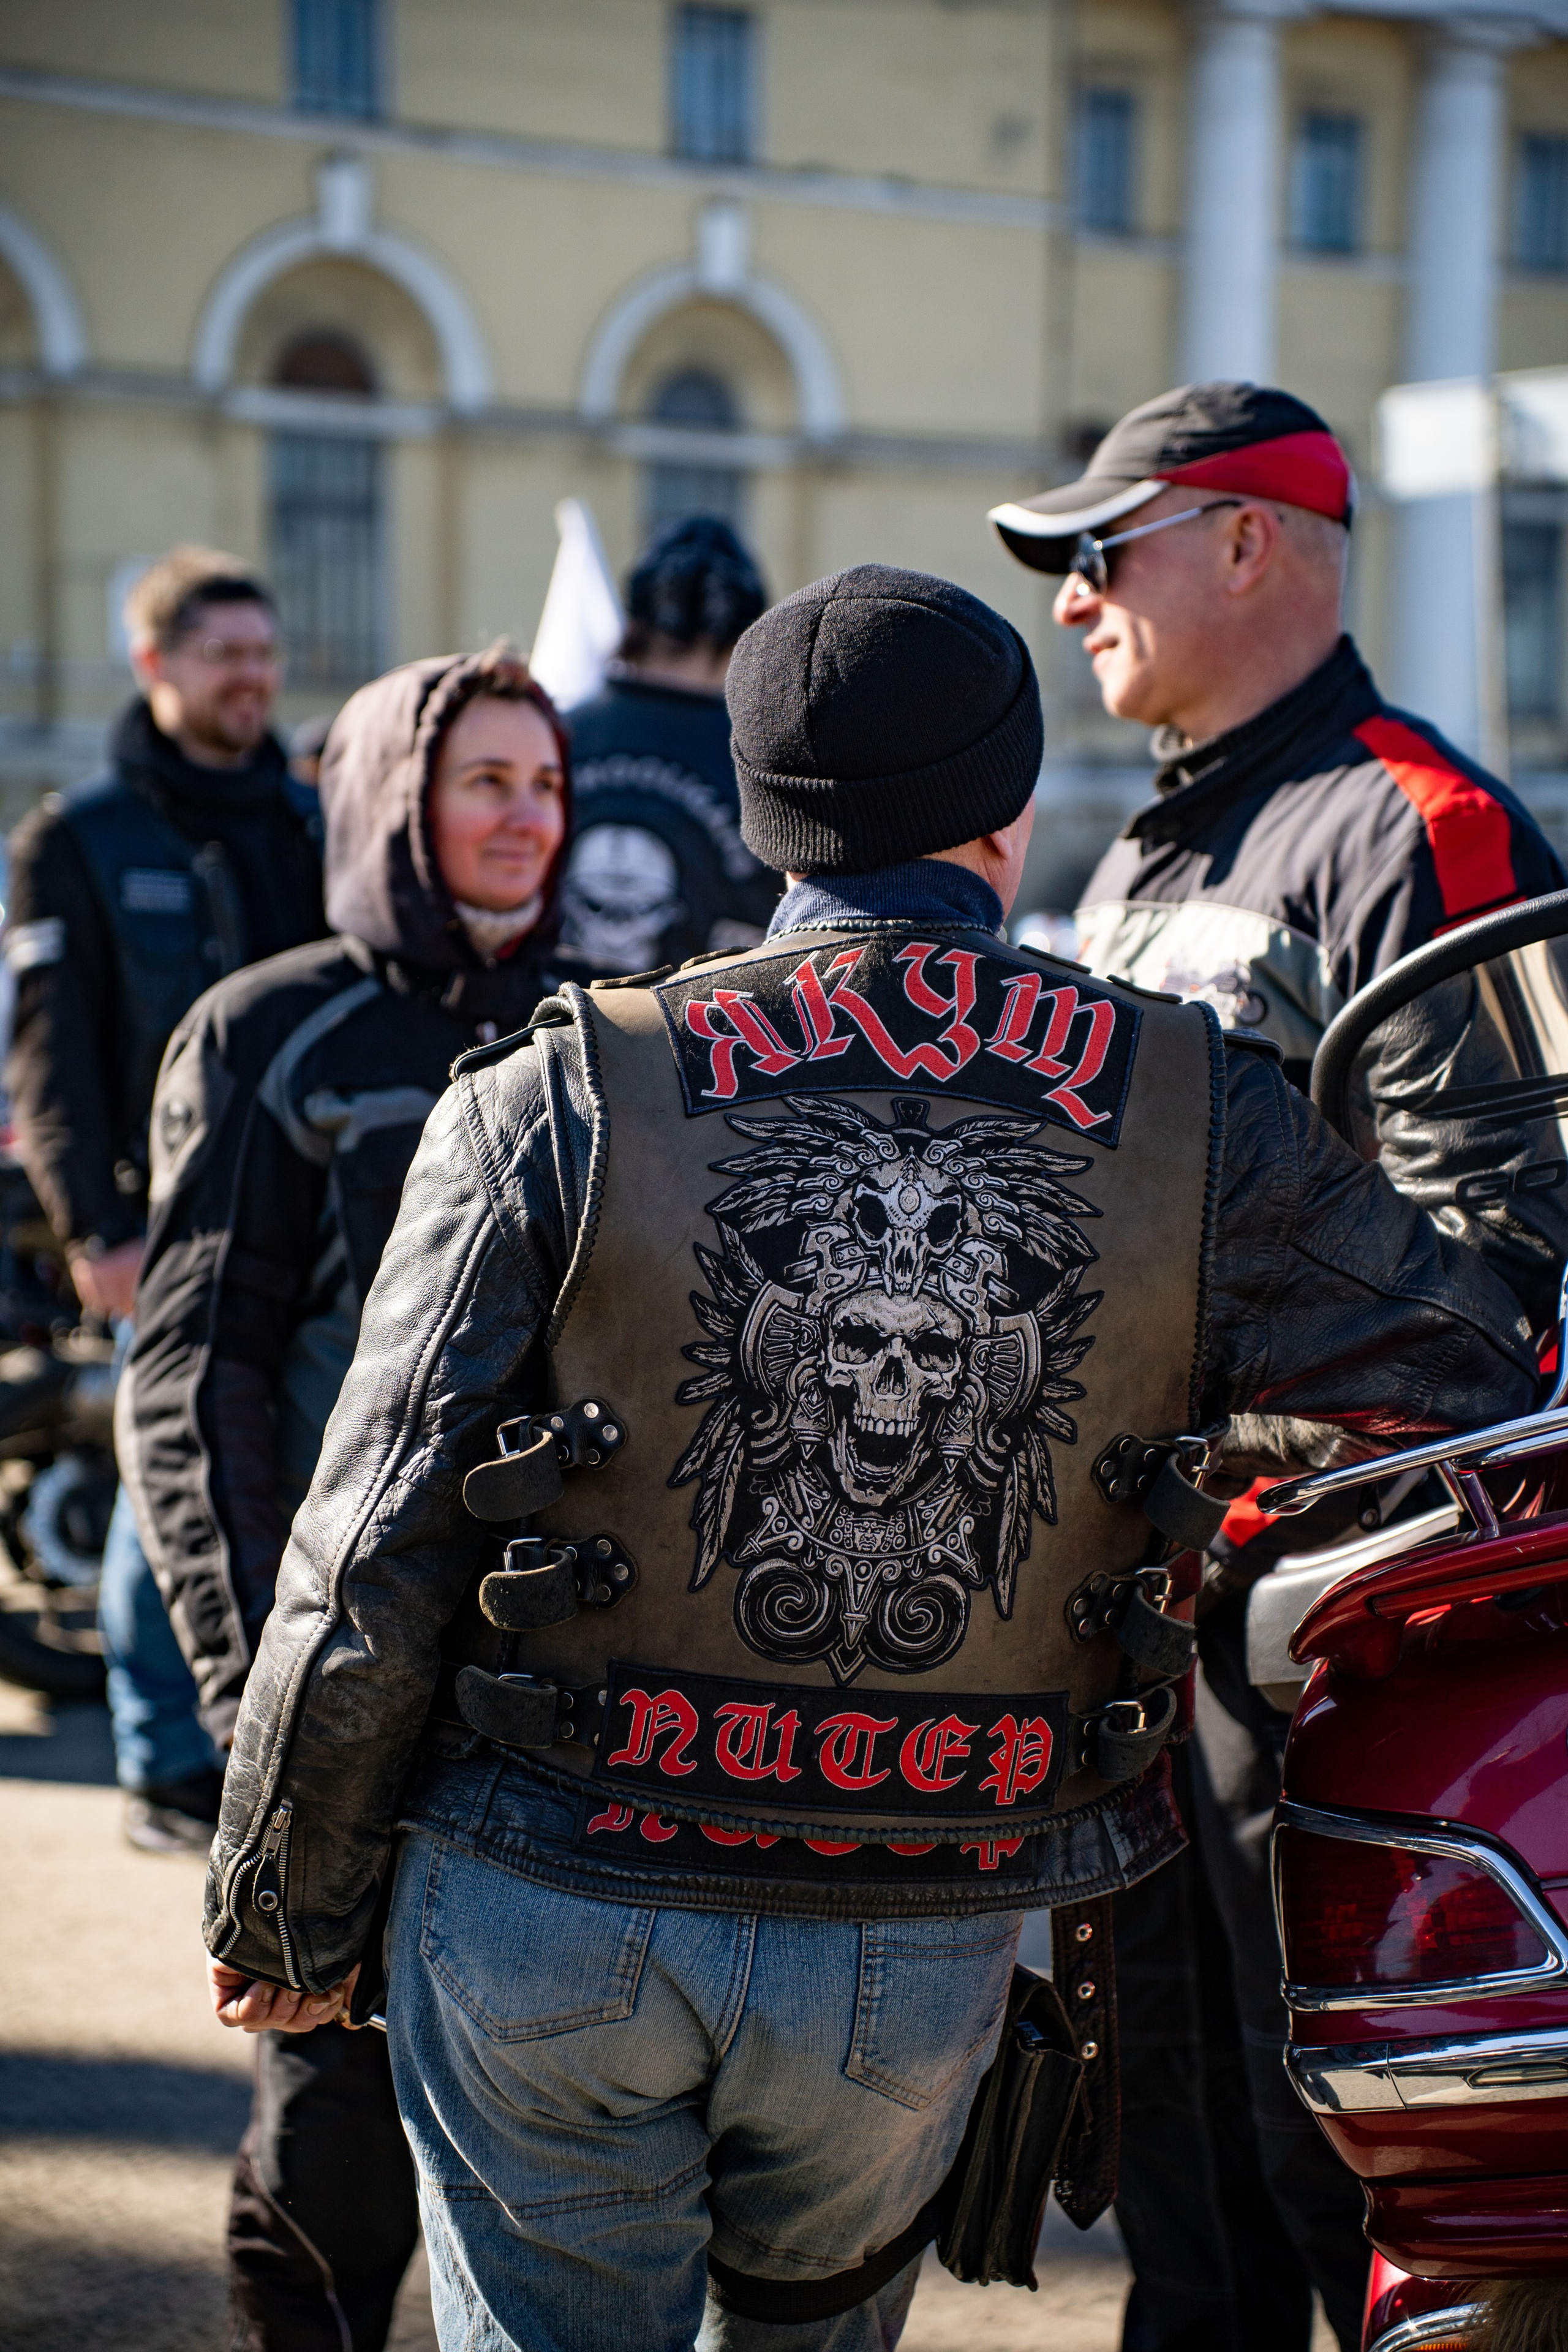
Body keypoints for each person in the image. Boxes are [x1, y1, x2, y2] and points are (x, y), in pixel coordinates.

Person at [202, 567, 1537, 2352]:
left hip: (543, 1879)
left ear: (756, 813)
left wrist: (284, 1899)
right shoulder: (1191, 1104)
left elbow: (368, 1539)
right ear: (1004, 808)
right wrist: (1161, 1423)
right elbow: (1465, 1368)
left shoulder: (554, 1087)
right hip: (914, 1914)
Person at [990, 380, 1568, 2351]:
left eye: (1100, 548)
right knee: (1179, 2178)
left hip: (1323, 1640)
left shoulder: (1420, 821)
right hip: (1147, 1636)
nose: (1072, 599)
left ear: (1247, 541)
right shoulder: (1149, 853)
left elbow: (1504, 1291)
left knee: (1349, 2192)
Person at [119, 641, 570, 2352]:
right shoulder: (266, 1034)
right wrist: (257, 1690)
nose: (525, 818)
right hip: (343, 1687)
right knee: (332, 2169)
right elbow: (190, 1384)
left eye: (544, 782)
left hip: (554, 1708)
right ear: (397, 797)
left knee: (558, 2171)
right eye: (485, 781)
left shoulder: (613, 1027)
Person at [4, 545, 324, 1851]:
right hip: (165, 1224)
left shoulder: (313, 816)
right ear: (155, 664)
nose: (252, 676)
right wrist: (96, 1225)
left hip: (317, 1212)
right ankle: (164, 1771)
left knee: (292, 1473)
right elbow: (49, 1052)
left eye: (262, 650)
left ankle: (277, 1750)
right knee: (167, 1487)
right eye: (223, 654)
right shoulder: (75, 838)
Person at [556, 513, 780, 975]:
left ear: (635, 620)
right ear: (748, 635)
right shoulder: (767, 760)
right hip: (708, 1031)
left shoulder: (555, 735)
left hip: (544, 1029)